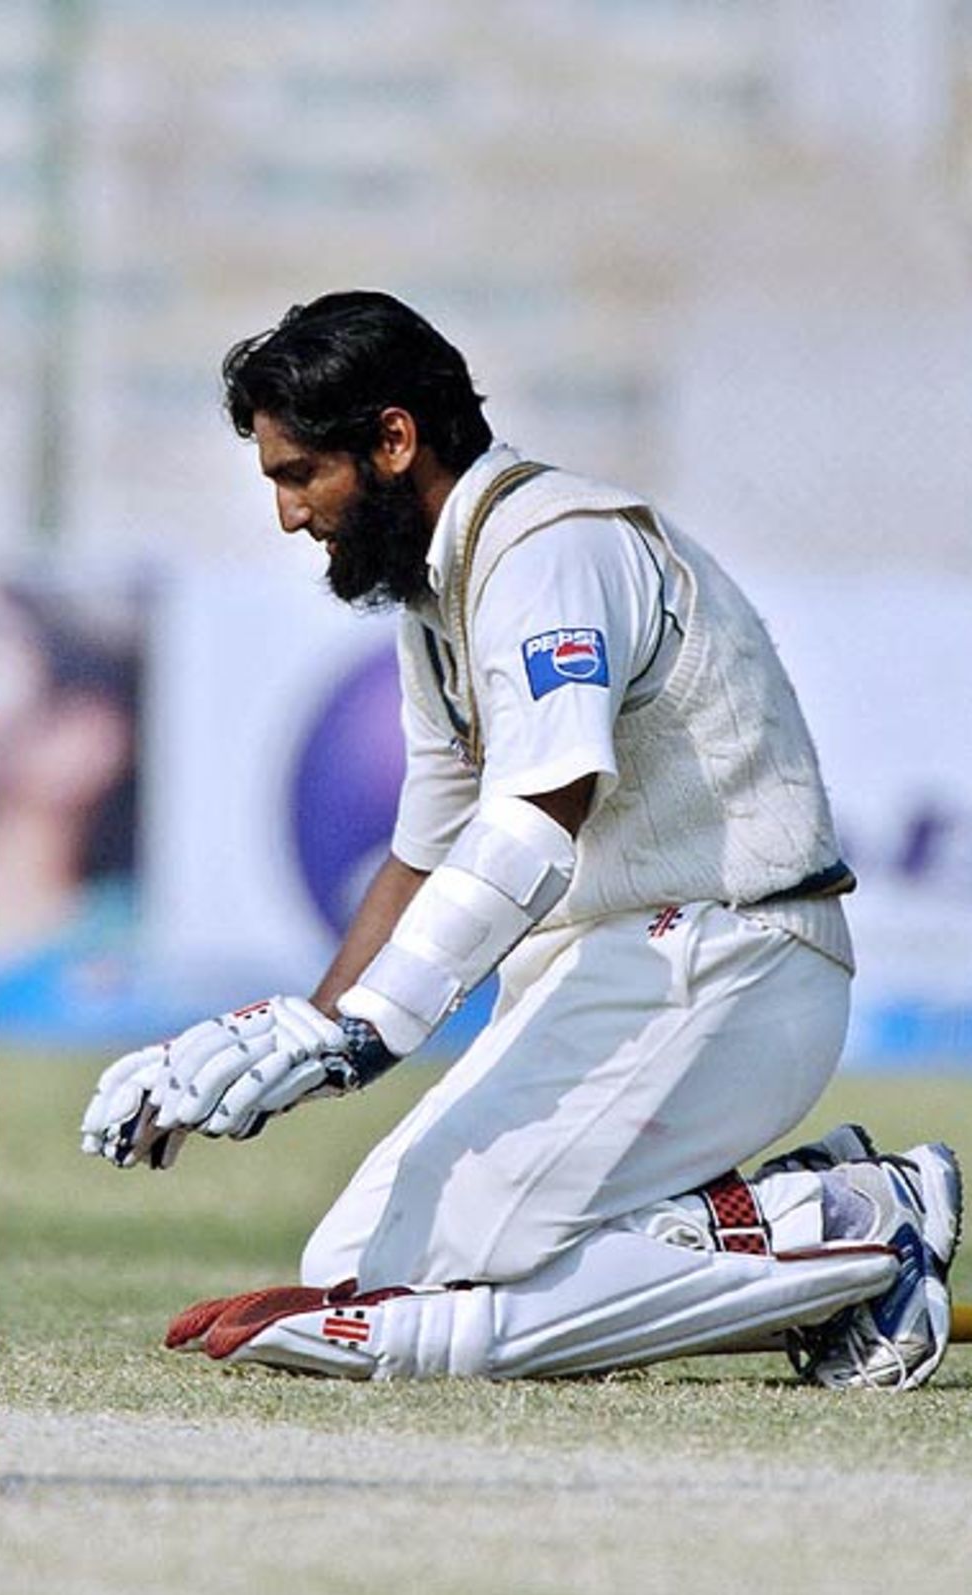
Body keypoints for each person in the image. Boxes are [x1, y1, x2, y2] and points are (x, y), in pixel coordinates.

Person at [81, 290, 961, 1388]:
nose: (288, 514)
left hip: (729, 957)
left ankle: (860, 1225)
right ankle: (797, 1220)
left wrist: (369, 1029)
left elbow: (538, 817)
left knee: (439, 1291)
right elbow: (423, 852)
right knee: (357, 1265)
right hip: (612, 970)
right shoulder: (436, 599)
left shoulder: (552, 548)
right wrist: (292, 1036)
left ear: (393, 439)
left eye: (298, 472)